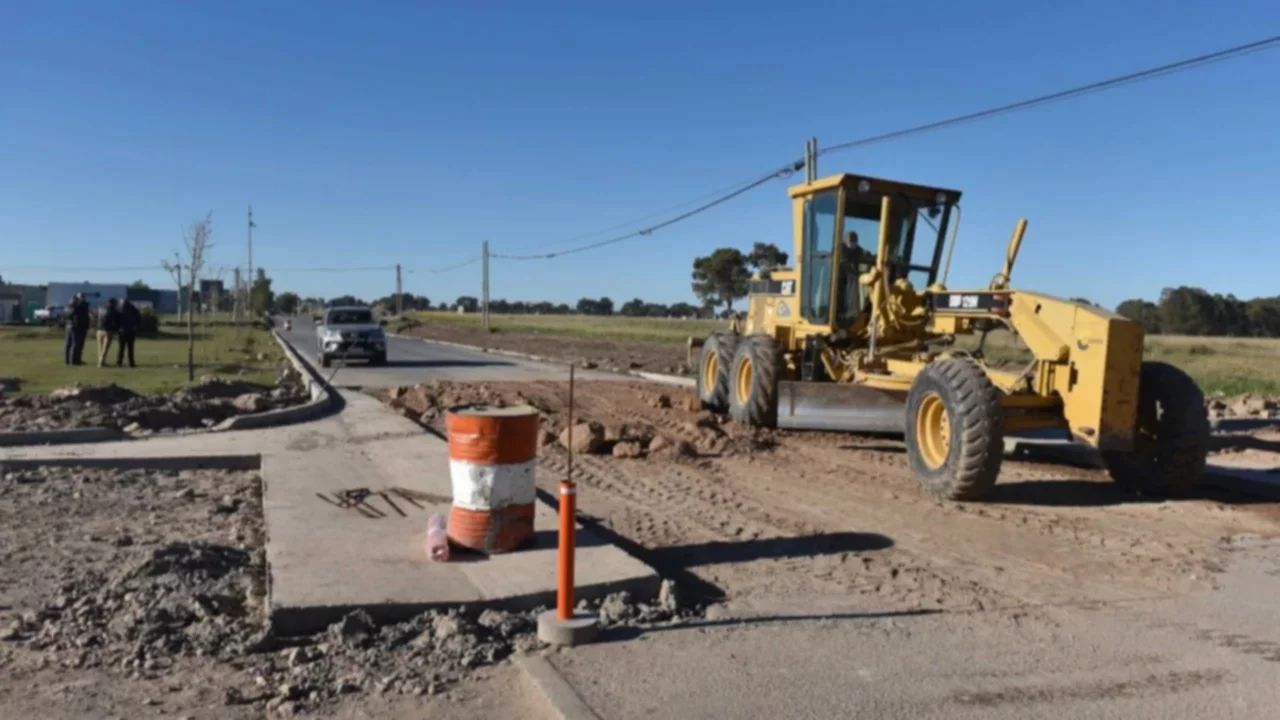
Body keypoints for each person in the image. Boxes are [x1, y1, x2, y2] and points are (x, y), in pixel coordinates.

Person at [97, 298, 122, 367]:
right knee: (105, 348)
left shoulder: (101, 309)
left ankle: (101, 361)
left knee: (100, 347)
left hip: (99, 330)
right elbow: (116, 321)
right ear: (114, 303)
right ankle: (101, 363)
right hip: (108, 331)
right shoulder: (114, 311)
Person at [117, 298, 140, 368]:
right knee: (131, 348)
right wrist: (135, 327)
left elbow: (117, 320)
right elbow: (138, 319)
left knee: (121, 348)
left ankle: (119, 362)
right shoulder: (134, 310)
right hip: (131, 331)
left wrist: (118, 328)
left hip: (122, 331)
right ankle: (131, 363)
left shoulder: (120, 310)